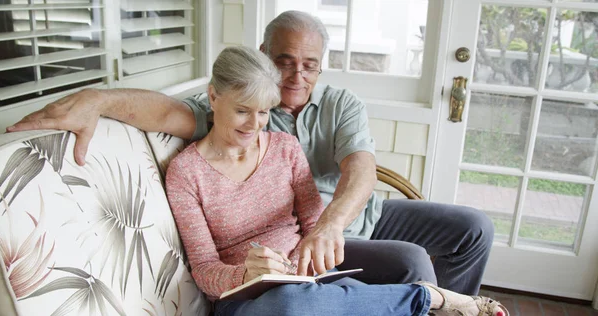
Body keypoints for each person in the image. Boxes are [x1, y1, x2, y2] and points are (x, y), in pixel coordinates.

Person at [7, 11, 494, 296]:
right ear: (264, 56)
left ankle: (446, 303)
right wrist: (98, 99)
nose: (297, 75)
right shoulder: (239, 111)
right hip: (303, 244)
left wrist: (329, 224)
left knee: (472, 229)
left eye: (310, 65)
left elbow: (362, 169)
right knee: (409, 263)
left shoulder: (341, 103)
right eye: (285, 62)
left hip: (351, 220)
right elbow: (164, 111)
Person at [165, 45, 507, 316]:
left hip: (306, 277)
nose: (255, 125)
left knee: (394, 267)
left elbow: (315, 223)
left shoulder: (284, 147)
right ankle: (426, 299)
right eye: (243, 110)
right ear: (213, 97)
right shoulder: (186, 172)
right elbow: (205, 269)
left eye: (265, 111)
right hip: (246, 300)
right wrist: (245, 274)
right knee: (289, 307)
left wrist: (299, 262)